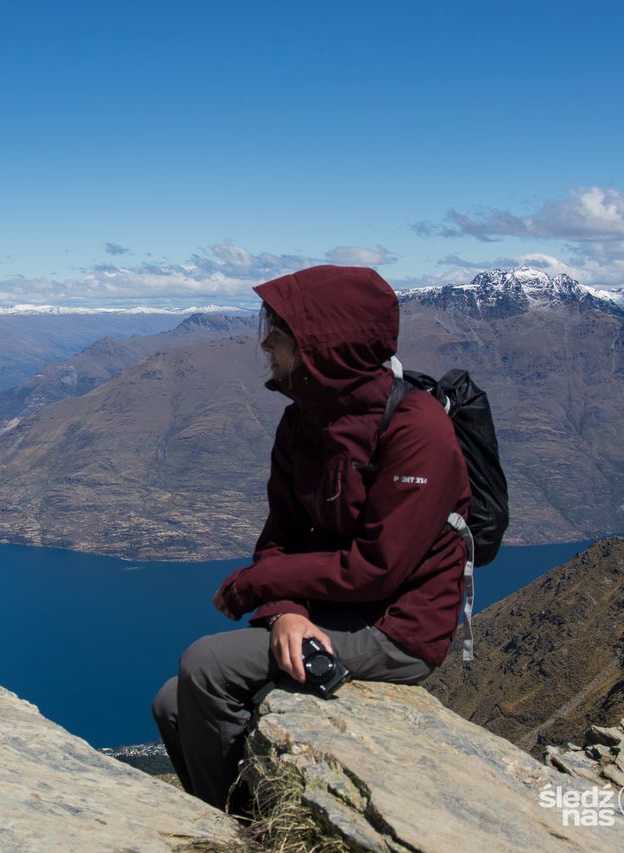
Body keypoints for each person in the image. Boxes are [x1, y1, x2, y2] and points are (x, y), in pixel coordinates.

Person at [152, 265, 471, 811]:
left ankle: (240, 828)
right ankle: (230, 818)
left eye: (279, 330)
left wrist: (259, 585)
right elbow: (281, 533)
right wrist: (284, 610)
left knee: (206, 664)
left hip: (397, 627)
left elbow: (379, 567)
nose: (264, 342)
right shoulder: (304, 420)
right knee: (172, 704)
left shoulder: (417, 428)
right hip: (334, 610)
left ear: (326, 343)